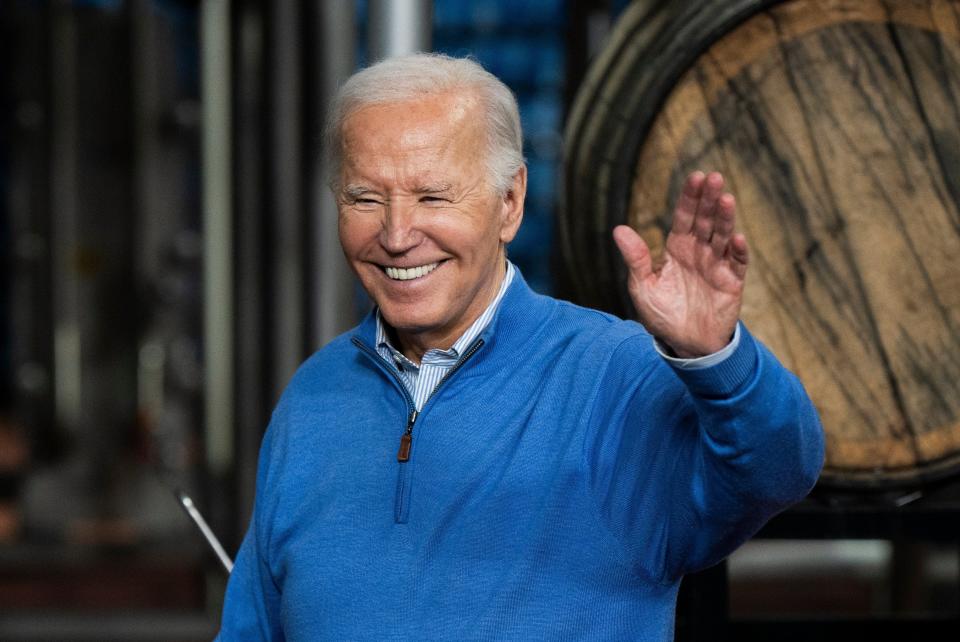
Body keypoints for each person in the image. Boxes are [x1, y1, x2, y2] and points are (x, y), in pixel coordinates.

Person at [217, 53, 823, 641]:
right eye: (365, 198)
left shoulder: (615, 377)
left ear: (509, 202)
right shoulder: (316, 394)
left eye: (432, 196)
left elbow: (780, 470)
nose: (397, 235)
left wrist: (718, 359)